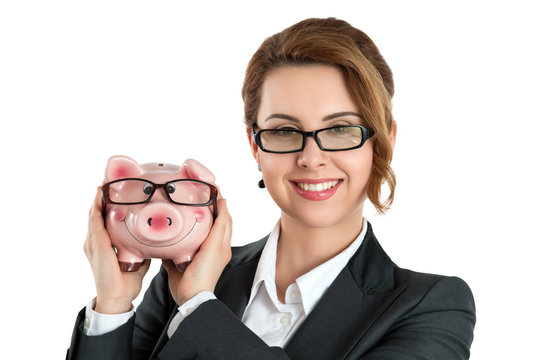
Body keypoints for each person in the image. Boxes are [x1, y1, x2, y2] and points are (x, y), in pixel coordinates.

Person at [67, 17, 475, 359]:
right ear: (254, 146)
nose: (312, 158)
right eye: (283, 131)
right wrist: (113, 306)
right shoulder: (181, 278)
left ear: (383, 139)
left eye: (339, 129)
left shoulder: (432, 305)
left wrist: (199, 306)